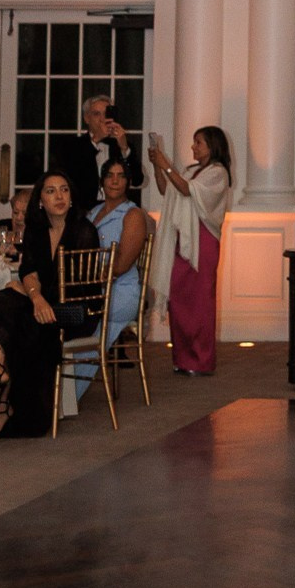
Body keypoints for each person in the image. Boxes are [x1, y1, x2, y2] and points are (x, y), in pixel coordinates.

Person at [0, 170, 104, 437]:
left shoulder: (84, 230)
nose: (59, 196)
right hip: (47, 307)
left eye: (64, 190)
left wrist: (29, 293)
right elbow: (29, 270)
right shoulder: (36, 230)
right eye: (51, 191)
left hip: (77, 311)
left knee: (13, 305)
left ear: (71, 197)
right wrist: (34, 296)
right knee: (8, 300)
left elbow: (73, 286)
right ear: (41, 201)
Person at [147, 126, 233, 377]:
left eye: (198, 142)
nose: (193, 147)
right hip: (181, 238)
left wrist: (166, 164)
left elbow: (187, 190)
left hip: (202, 240)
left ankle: (202, 360)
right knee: (179, 299)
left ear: (212, 146)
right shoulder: (190, 170)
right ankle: (183, 358)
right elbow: (167, 190)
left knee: (200, 301)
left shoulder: (218, 172)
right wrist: (158, 166)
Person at [89, 155, 150, 372]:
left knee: (72, 314)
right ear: (102, 181)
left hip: (119, 292)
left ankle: (66, 379)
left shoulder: (133, 214)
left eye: (121, 176)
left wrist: (86, 281)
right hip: (96, 290)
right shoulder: (93, 213)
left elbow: (122, 265)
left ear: (128, 182)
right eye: (109, 176)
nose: (115, 181)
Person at [54, 93, 135, 218]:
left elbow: (138, 179)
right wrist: (96, 139)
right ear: (87, 118)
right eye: (97, 114)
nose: (103, 119)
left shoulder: (120, 144)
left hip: (117, 211)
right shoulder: (72, 146)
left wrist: (124, 148)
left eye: (106, 114)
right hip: (82, 213)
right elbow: (70, 177)